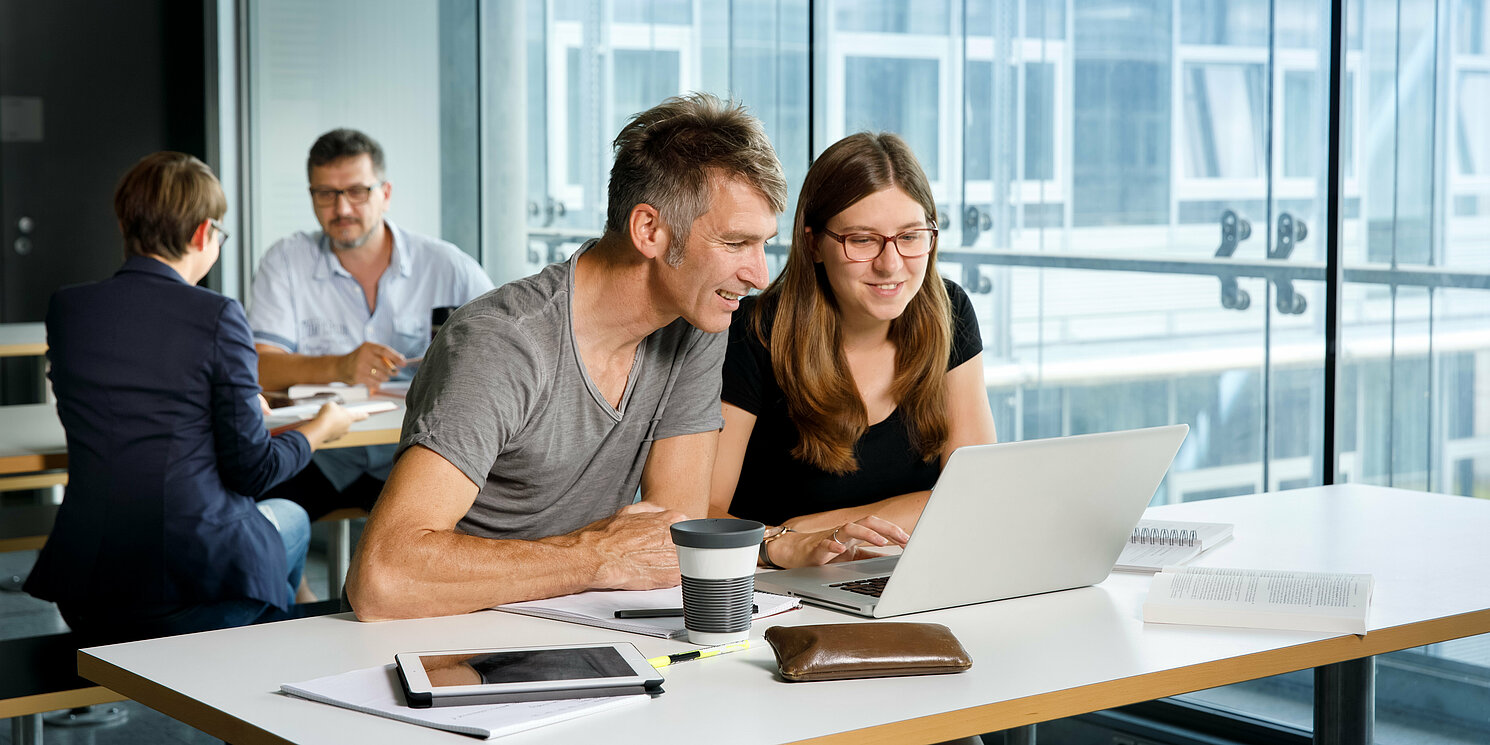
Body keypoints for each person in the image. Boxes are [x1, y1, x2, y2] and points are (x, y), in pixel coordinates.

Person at [346, 93, 826, 621]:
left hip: (583, 625)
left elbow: (669, 543)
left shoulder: (695, 325)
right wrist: (594, 557)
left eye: (764, 246)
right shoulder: (504, 344)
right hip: (450, 633)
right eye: (736, 244)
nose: (759, 276)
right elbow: (382, 577)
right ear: (649, 230)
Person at [24, 152, 363, 646]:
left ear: (125, 222)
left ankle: (270, 644)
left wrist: (230, 412)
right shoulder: (217, 315)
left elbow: (116, 408)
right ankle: (271, 662)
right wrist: (320, 428)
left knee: (268, 546)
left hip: (86, 588)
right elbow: (255, 471)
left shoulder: (70, 308)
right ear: (204, 234)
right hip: (190, 592)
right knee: (289, 518)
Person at [708, 132, 999, 569]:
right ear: (814, 244)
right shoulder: (752, 333)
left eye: (910, 236)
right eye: (863, 240)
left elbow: (979, 494)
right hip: (776, 590)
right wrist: (780, 545)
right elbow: (701, 518)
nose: (891, 263)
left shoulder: (949, 309)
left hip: (906, 577)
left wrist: (819, 525)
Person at [248, 128, 494, 519]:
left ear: (385, 193)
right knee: (251, 519)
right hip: (320, 452)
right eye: (326, 194)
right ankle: (296, 583)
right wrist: (340, 366)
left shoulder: (450, 268)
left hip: (418, 455)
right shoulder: (286, 262)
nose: (342, 208)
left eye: (357, 192)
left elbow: (499, 359)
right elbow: (258, 369)